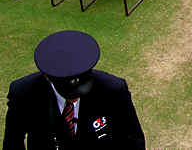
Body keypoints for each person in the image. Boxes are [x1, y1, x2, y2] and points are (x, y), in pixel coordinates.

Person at [2, 30, 145, 149]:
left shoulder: (113, 90)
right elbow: (12, 142)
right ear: (47, 77)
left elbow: (133, 139)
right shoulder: (23, 94)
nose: (75, 98)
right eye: (67, 92)